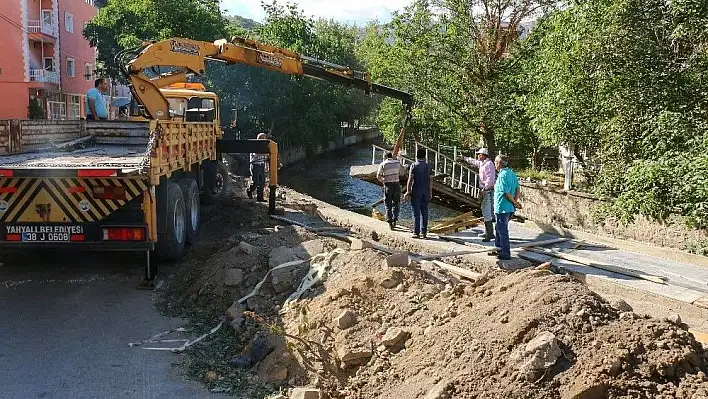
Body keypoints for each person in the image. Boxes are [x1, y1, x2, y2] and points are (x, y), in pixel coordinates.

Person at [457, 148, 496, 241]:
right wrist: (464, 158)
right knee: (485, 210)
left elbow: (490, 179)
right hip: (484, 189)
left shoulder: (489, 164)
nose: (478, 156)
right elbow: (474, 161)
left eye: (479, 154)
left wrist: (485, 188)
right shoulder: (482, 163)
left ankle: (489, 234)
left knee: (486, 211)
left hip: (487, 190)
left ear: (484, 155)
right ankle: (488, 232)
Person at [492, 154, 521, 260]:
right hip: (509, 208)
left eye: (495, 162)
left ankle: (505, 253)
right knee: (499, 228)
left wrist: (514, 202)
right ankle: (498, 248)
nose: (494, 164)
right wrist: (515, 202)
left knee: (502, 230)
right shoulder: (512, 173)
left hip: (502, 207)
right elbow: (518, 189)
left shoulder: (503, 175)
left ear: (499, 163)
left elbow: (506, 193)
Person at [404, 148, 432, 239]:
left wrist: (408, 191)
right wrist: (430, 192)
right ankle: (424, 232)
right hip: (425, 191)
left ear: (417, 156)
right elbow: (430, 180)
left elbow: (410, 179)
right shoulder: (428, 166)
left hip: (416, 191)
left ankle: (416, 232)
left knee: (416, 212)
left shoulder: (413, 166)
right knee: (425, 212)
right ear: (425, 157)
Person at [376, 152, 404, 230]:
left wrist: (383, 180)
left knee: (388, 204)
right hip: (396, 184)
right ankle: (395, 219)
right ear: (391, 156)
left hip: (388, 185)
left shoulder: (383, 164)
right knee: (396, 202)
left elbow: (378, 176)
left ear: (385, 157)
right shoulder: (397, 163)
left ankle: (390, 221)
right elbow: (403, 172)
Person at [247, 133, 268, 202]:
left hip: (261, 164)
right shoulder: (254, 145)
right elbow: (256, 154)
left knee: (262, 182)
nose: (264, 140)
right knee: (255, 181)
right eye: (263, 138)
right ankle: (249, 190)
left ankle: (260, 198)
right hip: (255, 165)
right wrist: (265, 153)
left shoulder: (264, 146)